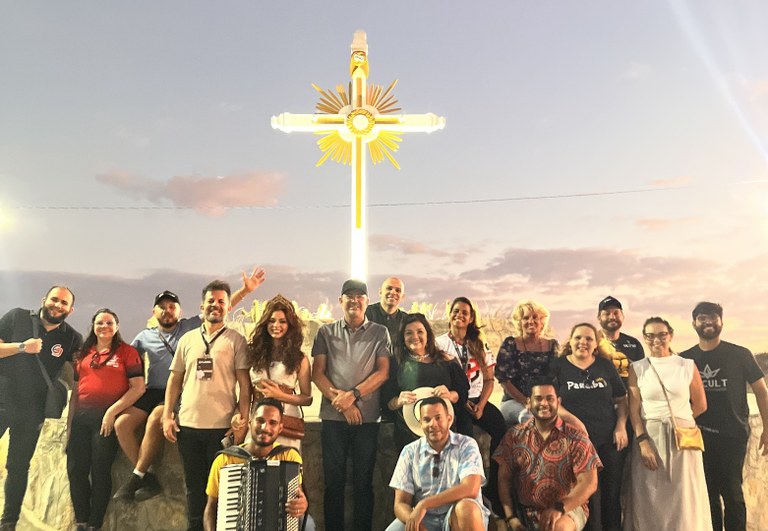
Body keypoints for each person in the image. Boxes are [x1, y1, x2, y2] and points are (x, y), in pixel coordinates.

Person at [113, 268, 265, 502]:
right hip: (157, 393)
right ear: (154, 312)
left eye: (172, 306)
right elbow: (126, 359)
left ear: (180, 311)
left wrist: (245, 290)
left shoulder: (191, 327)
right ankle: (145, 476)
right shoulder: (146, 336)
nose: (167, 310)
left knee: (157, 420)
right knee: (122, 424)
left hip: (189, 400)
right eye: (162, 307)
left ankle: (138, 475)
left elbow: (220, 306)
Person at [162, 280, 252, 531]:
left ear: (228, 307)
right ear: (202, 306)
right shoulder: (187, 339)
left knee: (223, 492)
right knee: (194, 490)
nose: (216, 305)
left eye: (221, 301)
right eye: (211, 301)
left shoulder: (236, 341)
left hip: (221, 429)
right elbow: (174, 380)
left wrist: (243, 421)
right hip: (188, 427)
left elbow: (245, 385)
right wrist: (167, 415)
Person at [0, 286, 83, 531]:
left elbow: (82, 374)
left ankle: (8, 522)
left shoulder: (71, 338)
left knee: (18, 467)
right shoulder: (17, 317)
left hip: (33, 411)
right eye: (54, 300)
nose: (58, 305)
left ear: (71, 310)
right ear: (44, 300)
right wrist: (21, 347)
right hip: (2, 400)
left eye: (64, 303)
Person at [311, 279, 391, 531]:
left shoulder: (380, 332)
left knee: (363, 482)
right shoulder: (325, 332)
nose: (354, 300)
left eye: (359, 296)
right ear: (340, 300)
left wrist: (353, 395)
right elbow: (318, 373)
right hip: (333, 419)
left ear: (367, 301)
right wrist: (343, 404)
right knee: (333, 483)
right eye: (349, 296)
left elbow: (383, 372)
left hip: (367, 419)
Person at [680, 302, 768, 531]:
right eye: (702, 318)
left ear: (721, 322)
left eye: (713, 317)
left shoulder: (740, 354)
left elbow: (761, 392)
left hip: (733, 435)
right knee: (706, 494)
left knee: (732, 493)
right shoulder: (686, 359)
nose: (708, 322)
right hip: (698, 437)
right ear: (694, 323)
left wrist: (767, 429)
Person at [624, 317, 711, 531]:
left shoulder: (686, 365)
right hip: (650, 436)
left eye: (662, 334)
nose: (657, 340)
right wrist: (642, 441)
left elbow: (700, 404)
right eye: (650, 336)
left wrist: (679, 422)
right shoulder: (638, 368)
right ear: (644, 338)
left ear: (670, 335)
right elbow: (634, 410)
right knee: (650, 494)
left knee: (684, 494)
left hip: (683, 438)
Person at [67, 309, 145, 531]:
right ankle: (81, 521)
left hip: (106, 423)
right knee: (76, 471)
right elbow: (75, 392)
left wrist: (112, 412)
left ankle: (95, 524)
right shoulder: (83, 354)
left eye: (109, 323)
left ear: (117, 326)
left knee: (100, 471)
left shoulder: (127, 352)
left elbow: (138, 387)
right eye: (100, 323)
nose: (104, 327)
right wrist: (69, 426)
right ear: (93, 326)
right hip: (81, 421)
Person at [493, 379, 601, 531]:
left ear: (558, 402)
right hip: (526, 510)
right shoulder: (514, 436)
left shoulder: (576, 437)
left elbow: (589, 483)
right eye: (538, 399)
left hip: (567, 508)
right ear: (528, 403)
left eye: (549, 398)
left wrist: (559, 508)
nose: (544, 403)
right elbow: (504, 479)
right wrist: (511, 518)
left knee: (558, 528)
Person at [551, 323, 627, 531]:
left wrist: (621, 425)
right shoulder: (558, 366)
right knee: (585, 497)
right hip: (575, 443)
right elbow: (552, 402)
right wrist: (575, 421)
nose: (582, 342)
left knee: (611, 494)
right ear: (571, 341)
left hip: (609, 440)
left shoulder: (605, 365)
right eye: (578, 338)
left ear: (596, 344)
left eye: (588, 339)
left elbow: (621, 399)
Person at [435, 297, 505, 512]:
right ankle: (465, 488)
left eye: (465, 312)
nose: (460, 315)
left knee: (501, 428)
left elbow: (489, 379)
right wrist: (462, 401)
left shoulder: (478, 343)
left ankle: (493, 488)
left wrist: (482, 405)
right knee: (466, 435)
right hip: (456, 400)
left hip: (477, 399)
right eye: (456, 311)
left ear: (471, 318)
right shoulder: (439, 343)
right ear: (450, 314)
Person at [203, 398, 314, 531]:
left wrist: (302, 504)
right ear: (250, 423)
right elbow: (211, 507)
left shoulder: (290, 457)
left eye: (272, 423)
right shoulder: (225, 460)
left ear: (280, 428)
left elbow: (298, 496)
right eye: (260, 421)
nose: (265, 427)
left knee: (308, 524)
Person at [386, 395, 490, 531]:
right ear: (420, 423)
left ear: (449, 419)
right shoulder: (409, 451)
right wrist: (415, 523)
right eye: (426, 420)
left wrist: (425, 504)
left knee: (466, 508)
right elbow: (401, 503)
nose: (433, 424)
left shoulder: (466, 445)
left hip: (456, 515)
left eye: (438, 418)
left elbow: (471, 489)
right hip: (425, 518)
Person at [232, 294, 312, 450]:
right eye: (272, 320)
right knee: (254, 461)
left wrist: (279, 395)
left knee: (285, 461)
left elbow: (307, 398)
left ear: (290, 325)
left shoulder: (299, 358)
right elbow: (245, 392)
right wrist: (238, 414)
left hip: (285, 420)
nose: (276, 325)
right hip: (258, 419)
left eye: (282, 321)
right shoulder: (253, 353)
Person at [387, 313, 471, 449]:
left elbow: (462, 393)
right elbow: (387, 402)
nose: (415, 337)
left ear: (428, 334)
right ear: (403, 337)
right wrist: (399, 401)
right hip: (410, 436)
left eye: (420, 332)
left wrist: (449, 395)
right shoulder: (396, 364)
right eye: (409, 333)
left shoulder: (446, 360)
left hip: (445, 433)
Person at [495, 300, 559, 427]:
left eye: (535, 317)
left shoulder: (553, 345)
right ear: (519, 322)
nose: (530, 321)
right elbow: (504, 380)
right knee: (529, 417)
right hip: (514, 402)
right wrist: (526, 401)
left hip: (545, 402)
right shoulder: (510, 344)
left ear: (542, 321)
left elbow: (558, 377)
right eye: (525, 318)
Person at [366, 276, 407, 420]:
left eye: (398, 290)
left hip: (394, 383)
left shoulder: (406, 320)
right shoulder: (366, 314)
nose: (393, 292)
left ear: (403, 296)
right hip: (368, 380)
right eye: (389, 288)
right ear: (380, 291)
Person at [596, 297, 644, 385]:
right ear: (599, 317)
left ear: (623, 316)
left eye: (616, 313)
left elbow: (642, 376)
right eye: (607, 314)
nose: (612, 317)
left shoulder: (634, 343)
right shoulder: (591, 343)